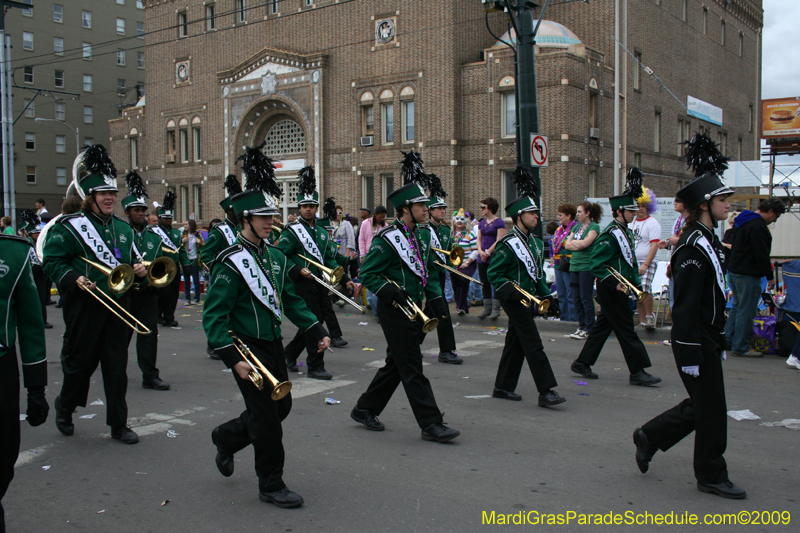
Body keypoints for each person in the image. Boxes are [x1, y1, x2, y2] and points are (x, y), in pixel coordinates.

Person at [204, 144, 330, 508]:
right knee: (267, 418)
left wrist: (315, 329)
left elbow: (291, 300)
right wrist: (231, 356)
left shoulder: (275, 256)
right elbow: (213, 315)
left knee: (281, 408)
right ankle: (271, 484)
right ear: (243, 220)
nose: (269, 222)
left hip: (272, 343)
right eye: (261, 217)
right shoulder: (230, 262)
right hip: (246, 347)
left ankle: (226, 437)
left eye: (271, 216)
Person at [634, 164, 747, 499]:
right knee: (711, 409)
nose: (729, 205)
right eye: (723, 200)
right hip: (694, 338)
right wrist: (691, 350)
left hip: (709, 335)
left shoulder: (707, 240)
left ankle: (650, 436)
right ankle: (711, 474)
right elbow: (684, 308)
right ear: (705, 204)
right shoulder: (692, 248)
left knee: (704, 405)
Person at [350, 151, 460, 443]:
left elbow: (428, 273)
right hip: (394, 309)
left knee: (397, 364)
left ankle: (365, 408)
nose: (427, 208)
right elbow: (368, 273)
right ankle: (431, 424)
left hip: (417, 309)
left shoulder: (424, 236)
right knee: (412, 367)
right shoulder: (387, 239)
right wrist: (391, 292)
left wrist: (436, 302)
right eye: (421, 205)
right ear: (405, 209)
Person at [42, 144, 146, 444]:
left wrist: (138, 270)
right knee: (79, 366)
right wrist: (74, 277)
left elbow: (129, 261)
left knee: (116, 368)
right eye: (103, 194)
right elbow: (52, 260)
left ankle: (118, 424)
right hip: (85, 307)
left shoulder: (124, 230)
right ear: (90, 198)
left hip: (117, 304)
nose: (110, 198)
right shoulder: (70, 226)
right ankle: (65, 405)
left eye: (112, 193)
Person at [570, 168, 662, 387]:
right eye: (631, 211)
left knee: (603, 327)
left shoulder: (626, 232)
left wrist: (636, 285)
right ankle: (637, 371)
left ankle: (582, 363)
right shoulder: (610, 234)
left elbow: (628, 262)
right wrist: (616, 283)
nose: (635, 214)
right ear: (620, 211)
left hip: (622, 286)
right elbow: (596, 264)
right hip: (611, 288)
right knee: (626, 329)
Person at [488, 166, 565, 407]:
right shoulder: (507, 243)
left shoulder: (533, 242)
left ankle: (503, 386)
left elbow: (537, 274)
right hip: (514, 298)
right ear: (519, 217)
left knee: (516, 341)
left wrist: (547, 297)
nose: (536, 217)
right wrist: (509, 291)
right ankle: (546, 391)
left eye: (536, 213)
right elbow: (494, 273)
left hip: (529, 296)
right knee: (532, 342)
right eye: (532, 213)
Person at [278, 166, 354, 380]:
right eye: (304, 206)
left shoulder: (321, 232)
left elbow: (329, 259)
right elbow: (281, 256)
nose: (308, 209)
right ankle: (315, 365)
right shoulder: (292, 231)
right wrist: (296, 270)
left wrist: (345, 279)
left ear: (317, 207)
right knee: (313, 322)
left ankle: (289, 354)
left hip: (320, 281)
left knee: (314, 321)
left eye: (312, 206)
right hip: (302, 283)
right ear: (299, 208)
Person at [0, 230, 49, 532]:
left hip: (1, 369)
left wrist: (36, 388)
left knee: (3, 459)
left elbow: (31, 325)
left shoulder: (14, 253)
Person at [122, 171, 171, 391]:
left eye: (143, 210)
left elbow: (160, 262)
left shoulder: (153, 237)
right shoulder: (120, 234)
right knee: (121, 338)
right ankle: (116, 373)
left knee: (149, 336)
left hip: (148, 293)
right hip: (125, 293)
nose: (141, 214)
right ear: (127, 212)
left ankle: (149, 375)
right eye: (136, 210)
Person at [725, 197, 785, 357]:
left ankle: (729, 341)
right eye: (776, 216)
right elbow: (761, 253)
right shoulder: (758, 225)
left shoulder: (742, 219)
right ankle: (741, 346)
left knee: (737, 307)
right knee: (747, 310)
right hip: (748, 272)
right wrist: (769, 276)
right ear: (771, 211)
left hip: (734, 269)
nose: (774, 221)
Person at [418, 174, 463, 364]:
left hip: (441, 275)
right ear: (430, 211)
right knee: (443, 312)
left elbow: (450, 253)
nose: (443, 211)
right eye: (439, 208)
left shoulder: (445, 231)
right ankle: (446, 350)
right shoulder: (422, 231)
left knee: (430, 312)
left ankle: (412, 342)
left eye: (444, 208)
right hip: (429, 276)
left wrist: (456, 265)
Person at [201, 175, 243, 360]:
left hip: (241, 277)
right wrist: (217, 271)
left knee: (236, 313)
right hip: (223, 277)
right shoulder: (219, 230)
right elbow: (206, 255)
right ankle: (213, 345)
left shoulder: (244, 228)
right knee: (219, 312)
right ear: (229, 211)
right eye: (236, 209)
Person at [565, 201, 602, 339]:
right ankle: (581, 326)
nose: (577, 214)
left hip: (586, 267)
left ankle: (589, 327)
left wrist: (577, 244)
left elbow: (587, 243)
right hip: (574, 265)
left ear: (588, 213)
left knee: (585, 298)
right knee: (576, 298)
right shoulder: (576, 227)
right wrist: (578, 244)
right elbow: (567, 245)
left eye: (580, 212)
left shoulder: (594, 227)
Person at [153, 192, 189, 326]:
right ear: (160, 218)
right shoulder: (153, 232)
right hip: (161, 267)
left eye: (170, 218)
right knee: (164, 292)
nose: (169, 221)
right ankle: (158, 313)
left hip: (174, 266)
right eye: (166, 218)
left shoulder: (176, 233)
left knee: (174, 293)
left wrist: (186, 264)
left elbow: (182, 250)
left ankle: (169, 316)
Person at [630, 188, 661, 329]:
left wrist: (646, 265)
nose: (640, 209)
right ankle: (642, 321)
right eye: (638, 206)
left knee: (644, 288)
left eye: (643, 206)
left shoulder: (652, 223)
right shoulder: (631, 222)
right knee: (636, 292)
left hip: (647, 261)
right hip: (633, 262)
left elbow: (654, 246)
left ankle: (649, 316)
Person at [18, 210, 52, 329]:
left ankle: (43, 320)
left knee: (41, 299)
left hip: (40, 274)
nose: (38, 235)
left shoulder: (40, 243)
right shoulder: (23, 243)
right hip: (28, 274)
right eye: (35, 233)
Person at [476, 197, 507, 319]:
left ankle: (496, 308)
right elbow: (479, 238)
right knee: (485, 282)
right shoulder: (482, 223)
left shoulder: (499, 223)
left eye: (483, 207)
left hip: (493, 256)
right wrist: (480, 252)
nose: (481, 209)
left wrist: (488, 253)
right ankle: (487, 308)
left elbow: (499, 240)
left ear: (490, 208)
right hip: (482, 255)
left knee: (495, 281)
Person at [658, 196, 690, 312]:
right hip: (675, 262)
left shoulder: (692, 221)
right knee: (674, 297)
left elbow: (691, 240)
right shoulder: (678, 220)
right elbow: (677, 238)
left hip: (686, 262)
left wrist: (678, 241)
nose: (675, 203)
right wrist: (668, 244)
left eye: (678, 201)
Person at [359, 205, 388, 319]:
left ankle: (379, 313)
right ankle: (378, 312)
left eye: (384, 217)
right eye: (380, 216)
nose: (382, 219)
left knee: (376, 284)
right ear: (375, 215)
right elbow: (361, 239)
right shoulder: (365, 223)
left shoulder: (385, 226)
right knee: (368, 284)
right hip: (366, 255)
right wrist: (362, 254)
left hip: (378, 256)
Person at [552, 203, 578, 322]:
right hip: (558, 264)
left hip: (568, 264)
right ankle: (564, 319)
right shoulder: (558, 230)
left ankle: (573, 320)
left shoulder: (575, 228)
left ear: (569, 216)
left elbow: (573, 245)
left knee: (570, 294)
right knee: (561, 294)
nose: (559, 217)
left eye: (561, 215)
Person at [450, 208, 479, 315]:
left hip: (468, 264)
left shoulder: (470, 234)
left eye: (462, 219)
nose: (459, 221)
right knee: (456, 285)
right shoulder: (451, 235)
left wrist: (467, 262)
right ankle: (462, 307)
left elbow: (475, 251)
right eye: (457, 219)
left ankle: (461, 307)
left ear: (466, 221)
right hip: (454, 264)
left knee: (462, 283)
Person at [181, 220, 204, 305]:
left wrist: (199, 242)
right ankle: (187, 299)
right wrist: (182, 241)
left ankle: (196, 299)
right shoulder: (183, 234)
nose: (185, 225)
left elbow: (203, 244)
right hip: (186, 259)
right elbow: (178, 245)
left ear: (191, 225)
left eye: (186, 224)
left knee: (196, 279)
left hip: (195, 258)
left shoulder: (197, 234)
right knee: (186, 280)